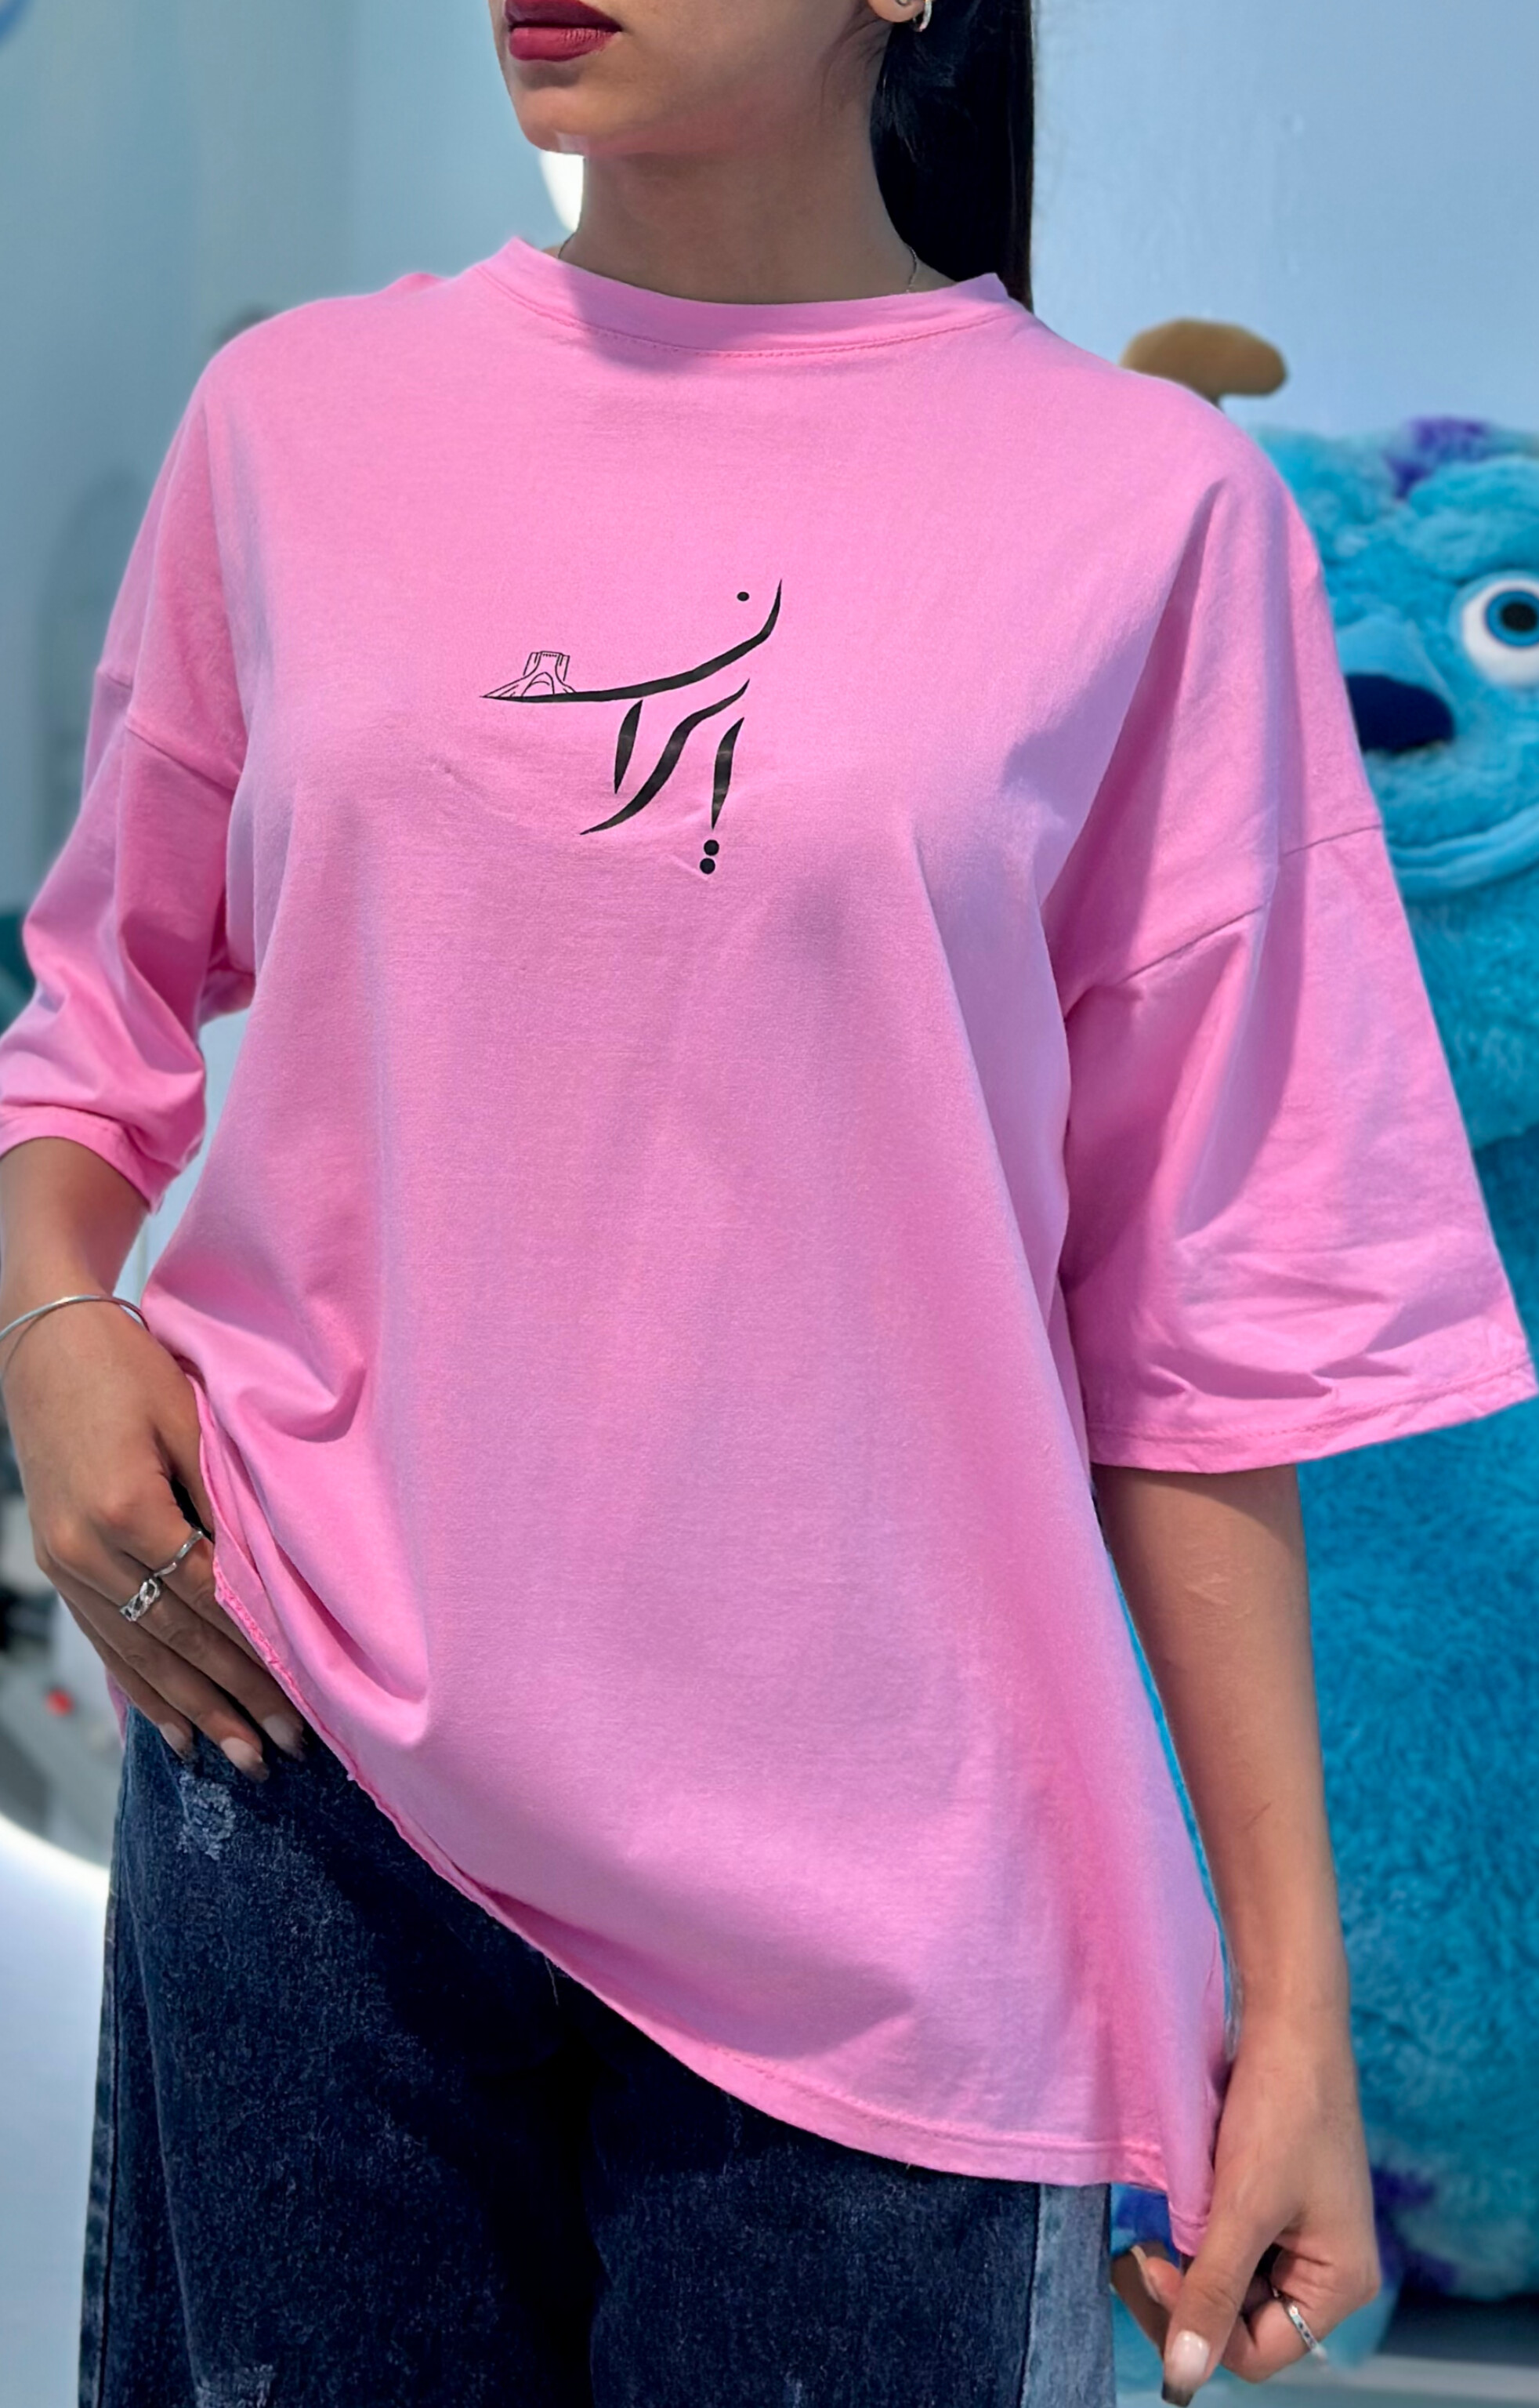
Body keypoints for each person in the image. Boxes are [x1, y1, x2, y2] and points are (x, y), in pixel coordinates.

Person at [0, 2, 1532, 2402]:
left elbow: (1207, 1318)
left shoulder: (1146, 512)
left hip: (892, 1888)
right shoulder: (292, 425)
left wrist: (1288, 2016)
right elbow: (96, 996)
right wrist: (52, 1326)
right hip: (307, 1774)